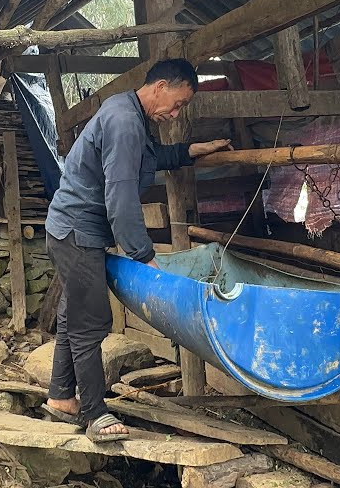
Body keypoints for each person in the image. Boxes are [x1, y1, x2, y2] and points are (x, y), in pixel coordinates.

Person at [41, 58, 231, 442]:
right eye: (177, 104)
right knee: (92, 322)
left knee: (72, 315)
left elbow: (151, 159)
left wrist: (191, 149)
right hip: (78, 232)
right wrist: (143, 254)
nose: (175, 113)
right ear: (160, 86)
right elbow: (121, 195)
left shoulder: (127, 111)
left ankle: (61, 397)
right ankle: (95, 413)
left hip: (72, 229)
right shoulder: (126, 122)